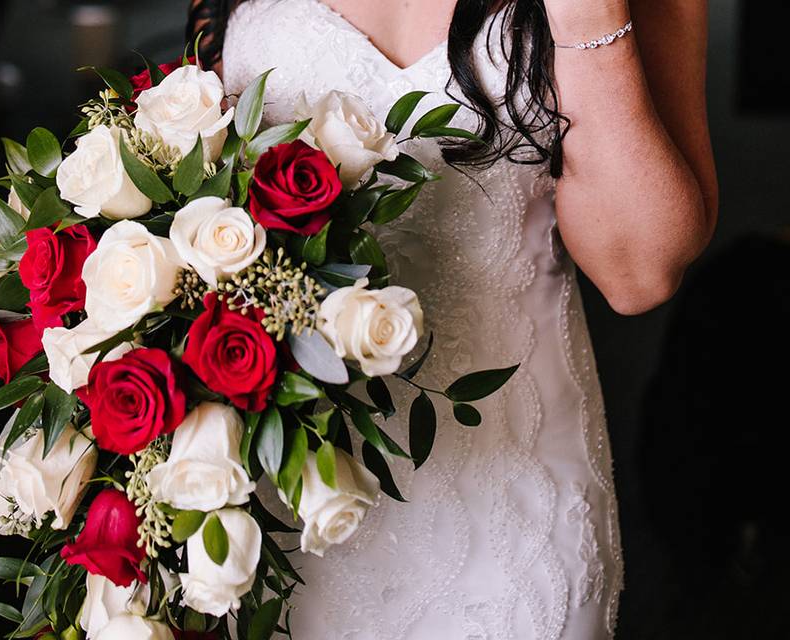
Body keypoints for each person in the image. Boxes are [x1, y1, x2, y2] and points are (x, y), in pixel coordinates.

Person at [187, 1, 718, 638]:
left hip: (514, 506)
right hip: (296, 496)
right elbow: (201, 199)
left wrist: (586, 17)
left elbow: (639, 273)